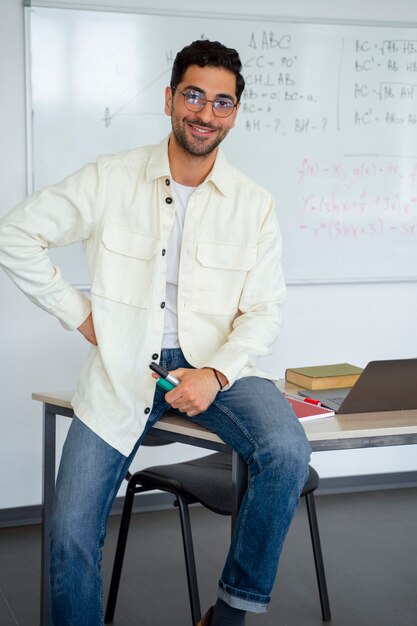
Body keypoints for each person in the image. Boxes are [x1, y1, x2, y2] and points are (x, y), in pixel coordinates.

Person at [0, 40, 311, 626]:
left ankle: (230, 615)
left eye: (222, 102)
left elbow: (265, 311)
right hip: (123, 366)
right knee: (68, 532)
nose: (205, 112)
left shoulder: (255, 204)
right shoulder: (111, 178)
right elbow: (15, 233)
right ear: (170, 99)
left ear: (235, 112)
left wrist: (215, 374)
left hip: (220, 364)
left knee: (287, 450)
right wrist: (80, 314)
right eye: (193, 95)